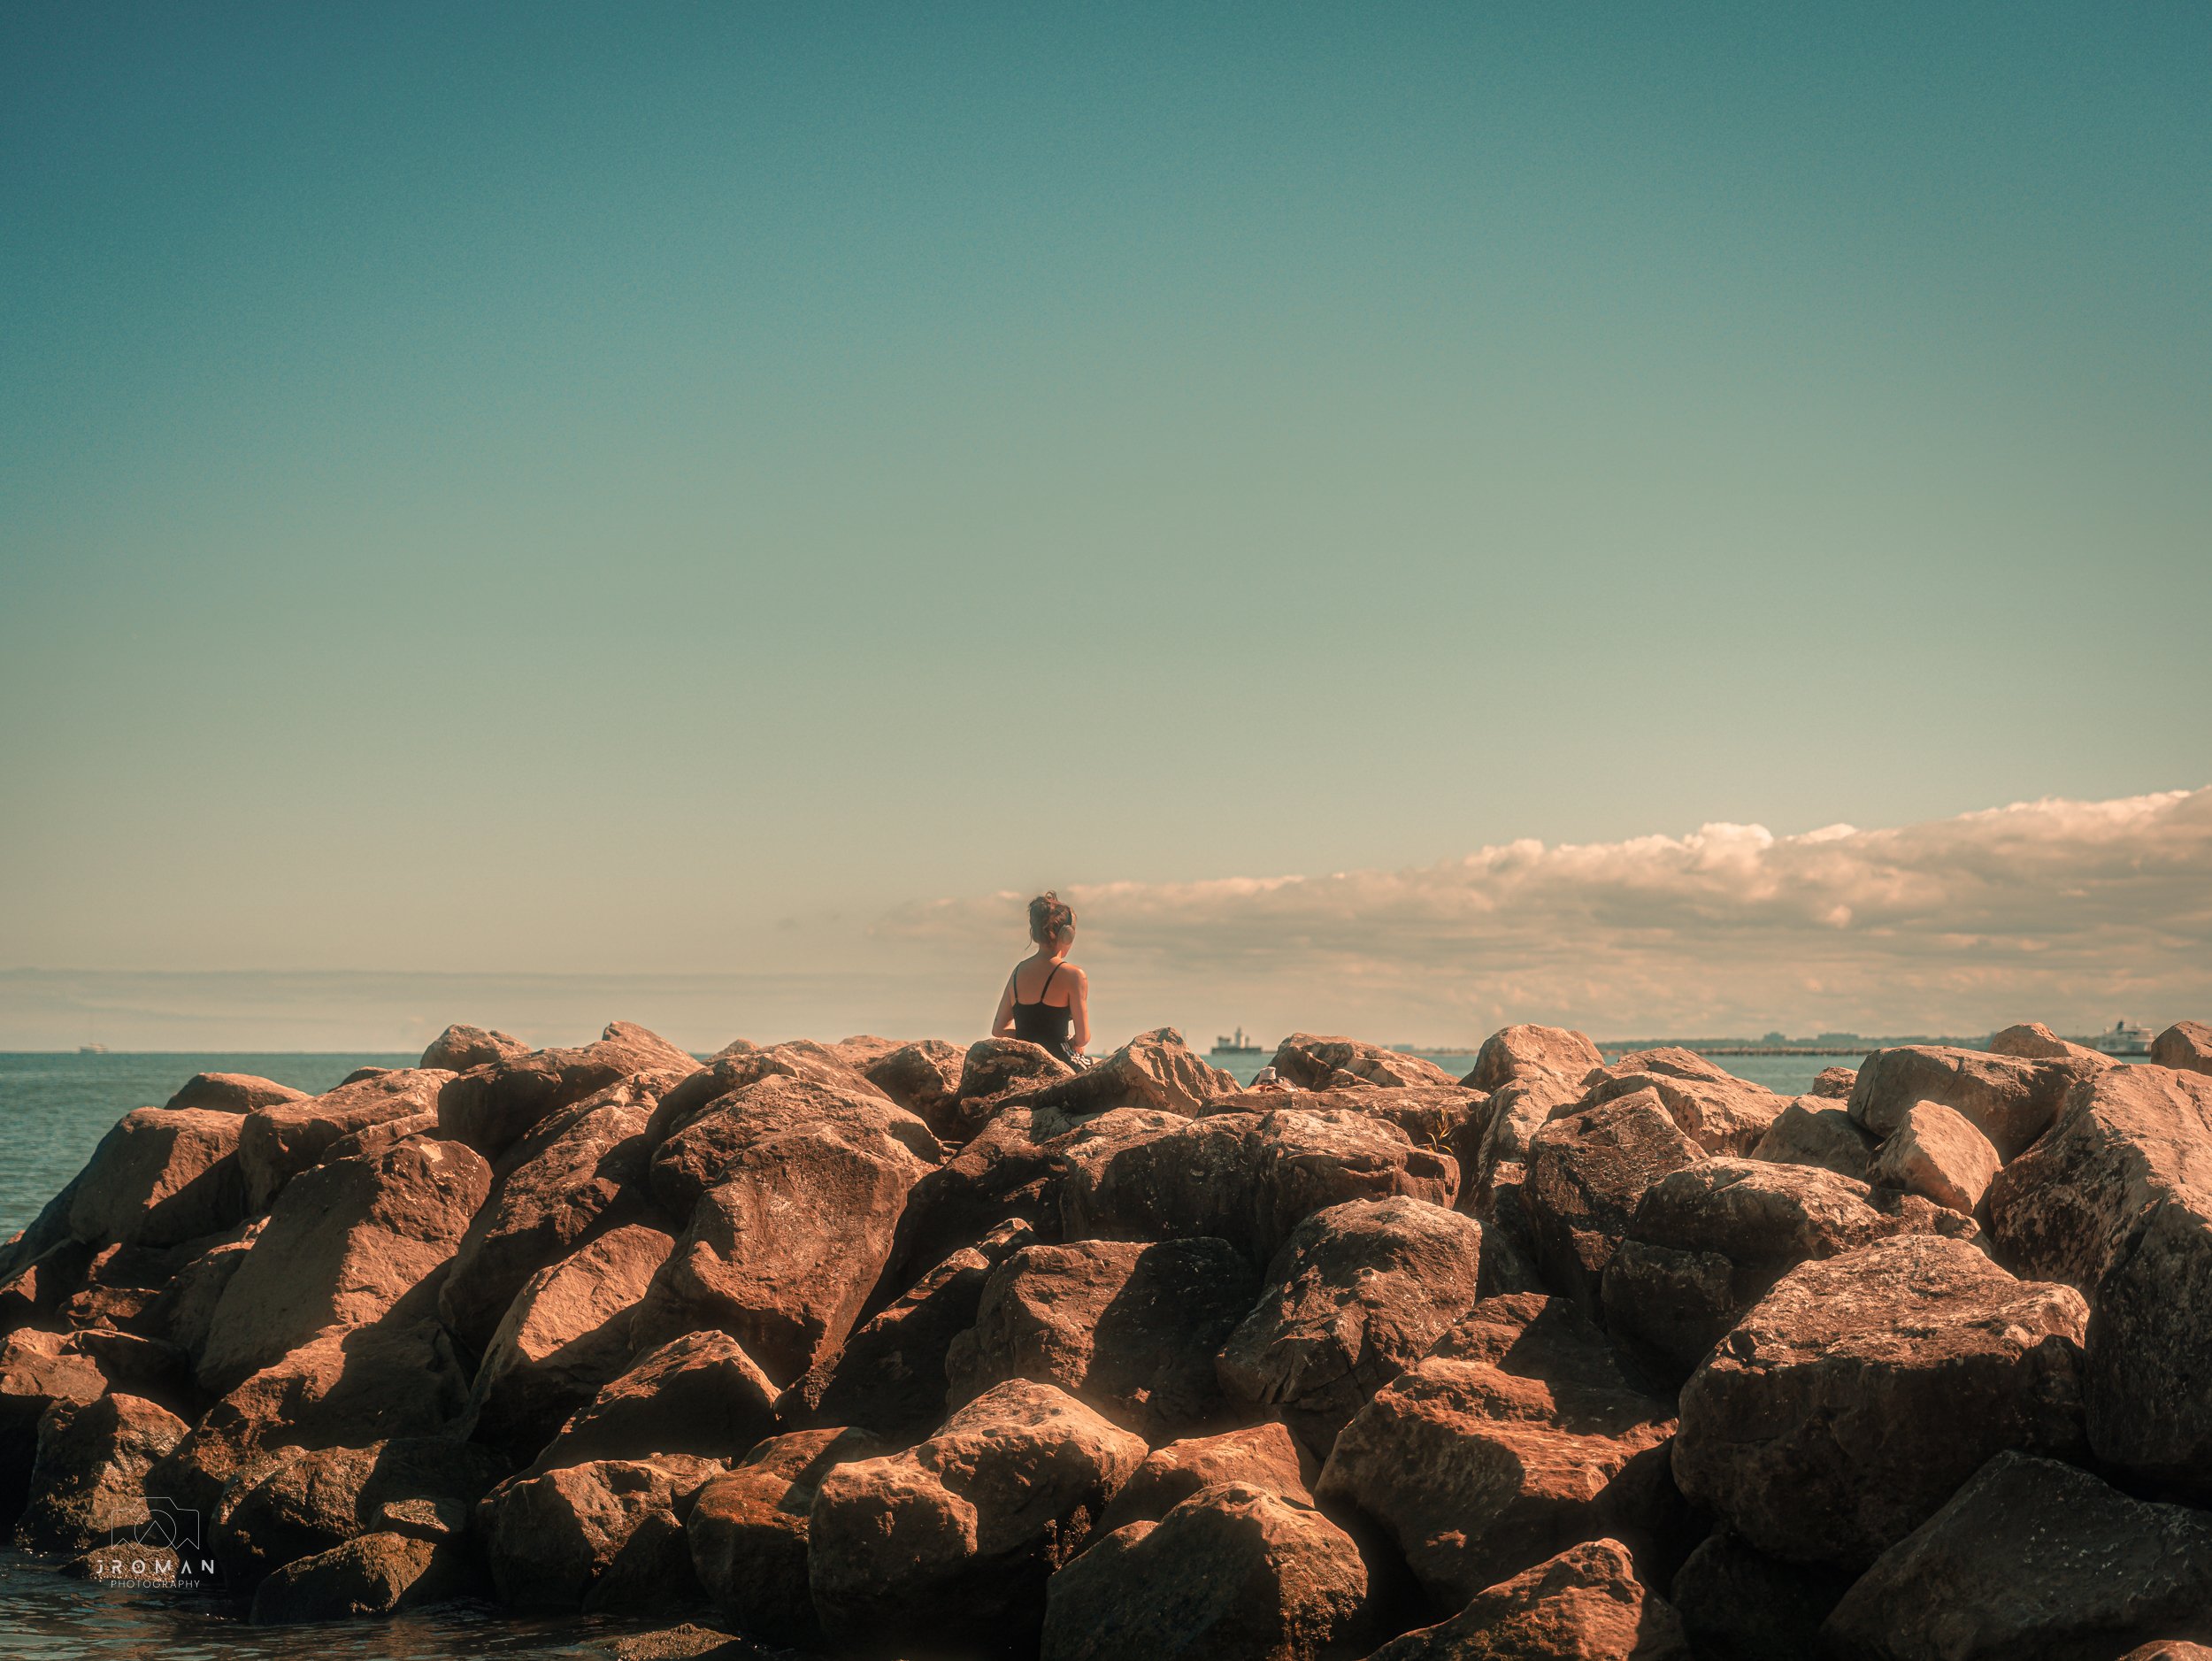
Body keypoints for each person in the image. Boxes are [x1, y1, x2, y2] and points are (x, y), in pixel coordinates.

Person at [990, 891, 1089, 1065]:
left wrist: (1031, 1042)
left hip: (1027, 1062)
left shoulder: (1018, 971)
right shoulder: (1074, 975)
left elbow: (998, 1030)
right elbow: (1082, 1038)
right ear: (1068, 934)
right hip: (1060, 1059)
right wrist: (1072, 1043)